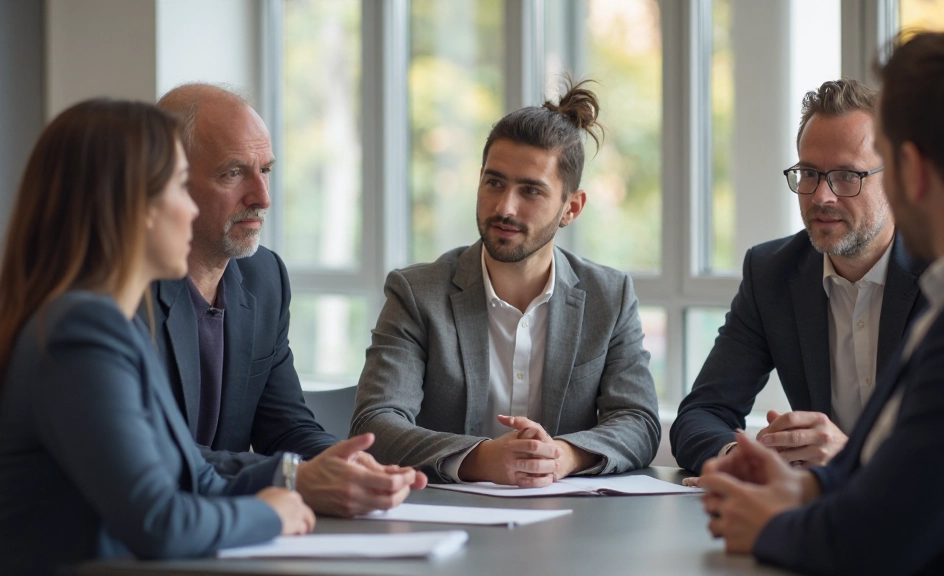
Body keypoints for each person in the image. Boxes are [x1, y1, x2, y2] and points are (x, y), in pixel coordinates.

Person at [700, 28, 944, 575]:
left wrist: (770, 524)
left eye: (854, 175)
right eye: (809, 175)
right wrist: (805, 486)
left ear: (911, 171)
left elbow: (878, 539)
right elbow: (920, 475)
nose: (824, 195)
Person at [0, 99, 314, 575]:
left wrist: (294, 483)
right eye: (177, 188)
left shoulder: (108, 321)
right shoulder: (80, 331)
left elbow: (195, 477)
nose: (190, 209)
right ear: (132, 206)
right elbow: (159, 520)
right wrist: (269, 513)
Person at [350, 79, 661, 486]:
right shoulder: (416, 293)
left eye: (530, 191)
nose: (504, 207)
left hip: (568, 524)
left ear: (572, 208)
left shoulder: (610, 296)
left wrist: (562, 456)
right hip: (443, 517)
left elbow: (639, 421)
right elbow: (375, 424)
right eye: (494, 182)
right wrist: (479, 459)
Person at [154, 84, 426, 516]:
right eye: (233, 173)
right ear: (169, 180)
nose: (262, 197)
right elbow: (154, 457)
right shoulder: (123, 292)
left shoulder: (264, 277)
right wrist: (292, 478)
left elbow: (283, 426)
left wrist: (345, 464)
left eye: (266, 171)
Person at [671, 78, 928, 477]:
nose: (821, 196)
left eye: (846, 176)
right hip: (814, 519)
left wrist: (853, 459)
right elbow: (701, 414)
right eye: (808, 173)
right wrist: (740, 460)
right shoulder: (772, 272)